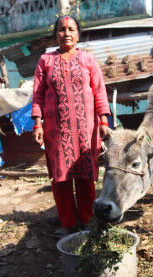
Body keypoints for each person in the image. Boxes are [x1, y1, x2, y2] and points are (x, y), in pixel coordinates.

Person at [31, 15, 111, 237]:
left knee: (86, 177)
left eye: (71, 29)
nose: (66, 33)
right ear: (55, 34)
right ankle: (67, 223)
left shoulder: (88, 60)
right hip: (56, 132)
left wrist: (104, 120)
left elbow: (99, 91)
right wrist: (37, 124)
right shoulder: (45, 61)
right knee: (61, 178)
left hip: (86, 130)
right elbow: (37, 95)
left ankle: (87, 221)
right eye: (61, 29)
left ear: (78, 34)